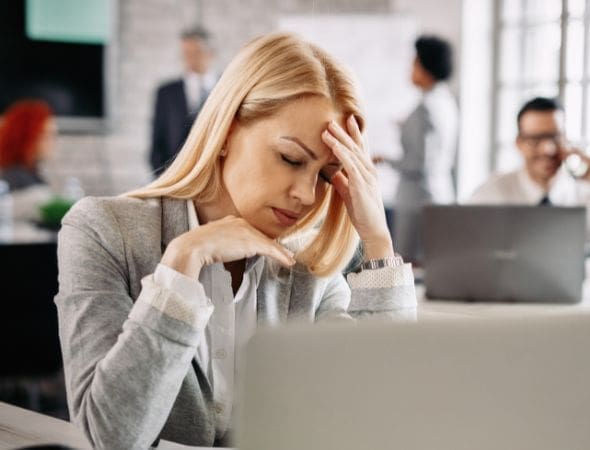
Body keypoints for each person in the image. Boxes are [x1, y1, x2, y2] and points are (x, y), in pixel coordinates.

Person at [55, 33, 417, 449]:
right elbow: (110, 437)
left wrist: (377, 241)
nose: (307, 194)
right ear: (226, 131)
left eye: (323, 174)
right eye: (291, 159)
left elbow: (382, 415)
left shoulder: (306, 264)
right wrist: (182, 264)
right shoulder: (103, 231)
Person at [469, 97, 590, 272]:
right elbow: (468, 260)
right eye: (535, 140)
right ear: (519, 143)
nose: (548, 149)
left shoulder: (588, 194)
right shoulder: (491, 193)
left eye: (555, 137)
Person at [375, 35, 459, 263]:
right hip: (439, 192)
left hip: (417, 200)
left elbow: (419, 163)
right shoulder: (445, 101)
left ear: (426, 67)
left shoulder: (426, 108)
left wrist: (386, 160)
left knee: (408, 267)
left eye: (414, 63)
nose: (410, 69)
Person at [149, 26, 218, 175]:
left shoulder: (227, 87)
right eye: (186, 54)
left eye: (196, 53)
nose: (190, 59)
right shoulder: (166, 92)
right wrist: (164, 178)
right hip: (175, 175)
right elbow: (157, 141)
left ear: (211, 53)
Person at [0, 99, 58, 221]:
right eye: (47, 135)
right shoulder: (14, 177)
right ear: (28, 137)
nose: (53, 142)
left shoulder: (32, 174)